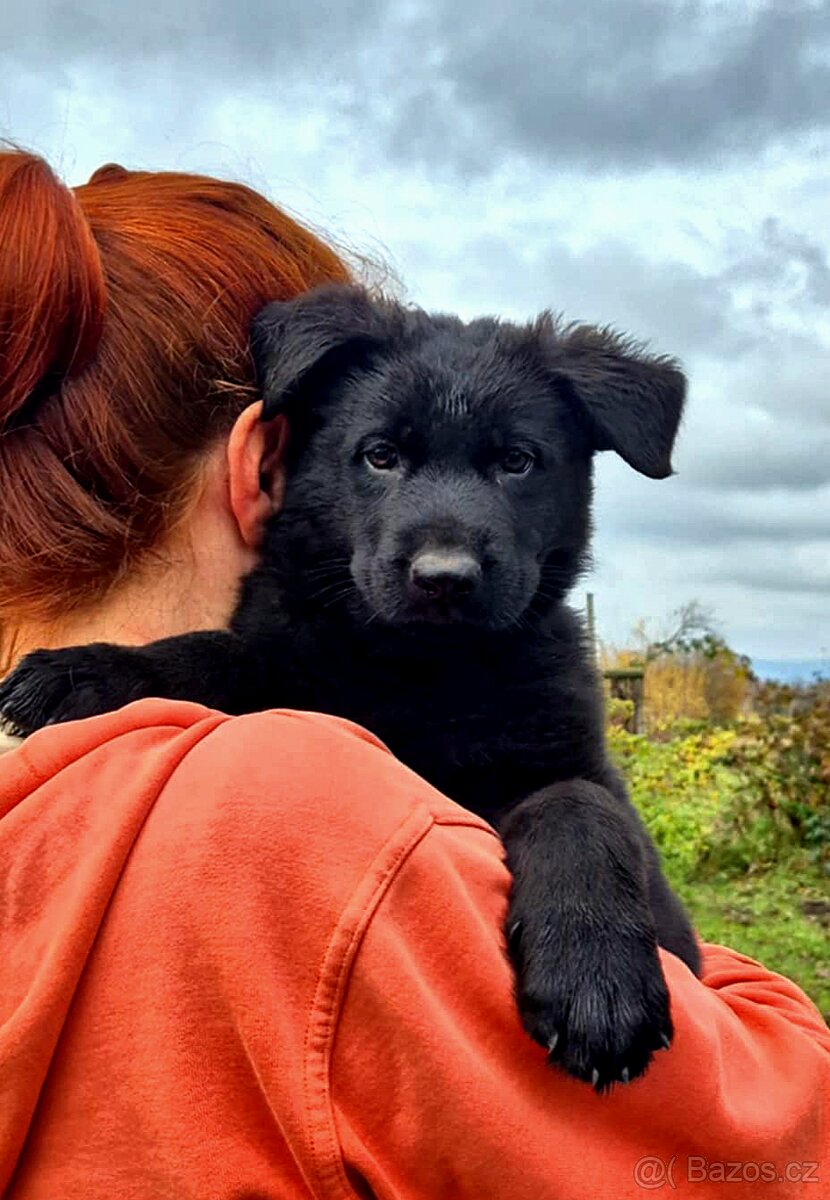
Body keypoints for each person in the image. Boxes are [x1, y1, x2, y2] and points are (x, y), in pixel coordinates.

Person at [0, 147, 827, 1200]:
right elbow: (775, 1147)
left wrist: (577, 837)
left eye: (511, 463)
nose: (445, 546)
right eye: (382, 458)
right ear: (272, 461)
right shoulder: (331, 830)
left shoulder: (69, 771)